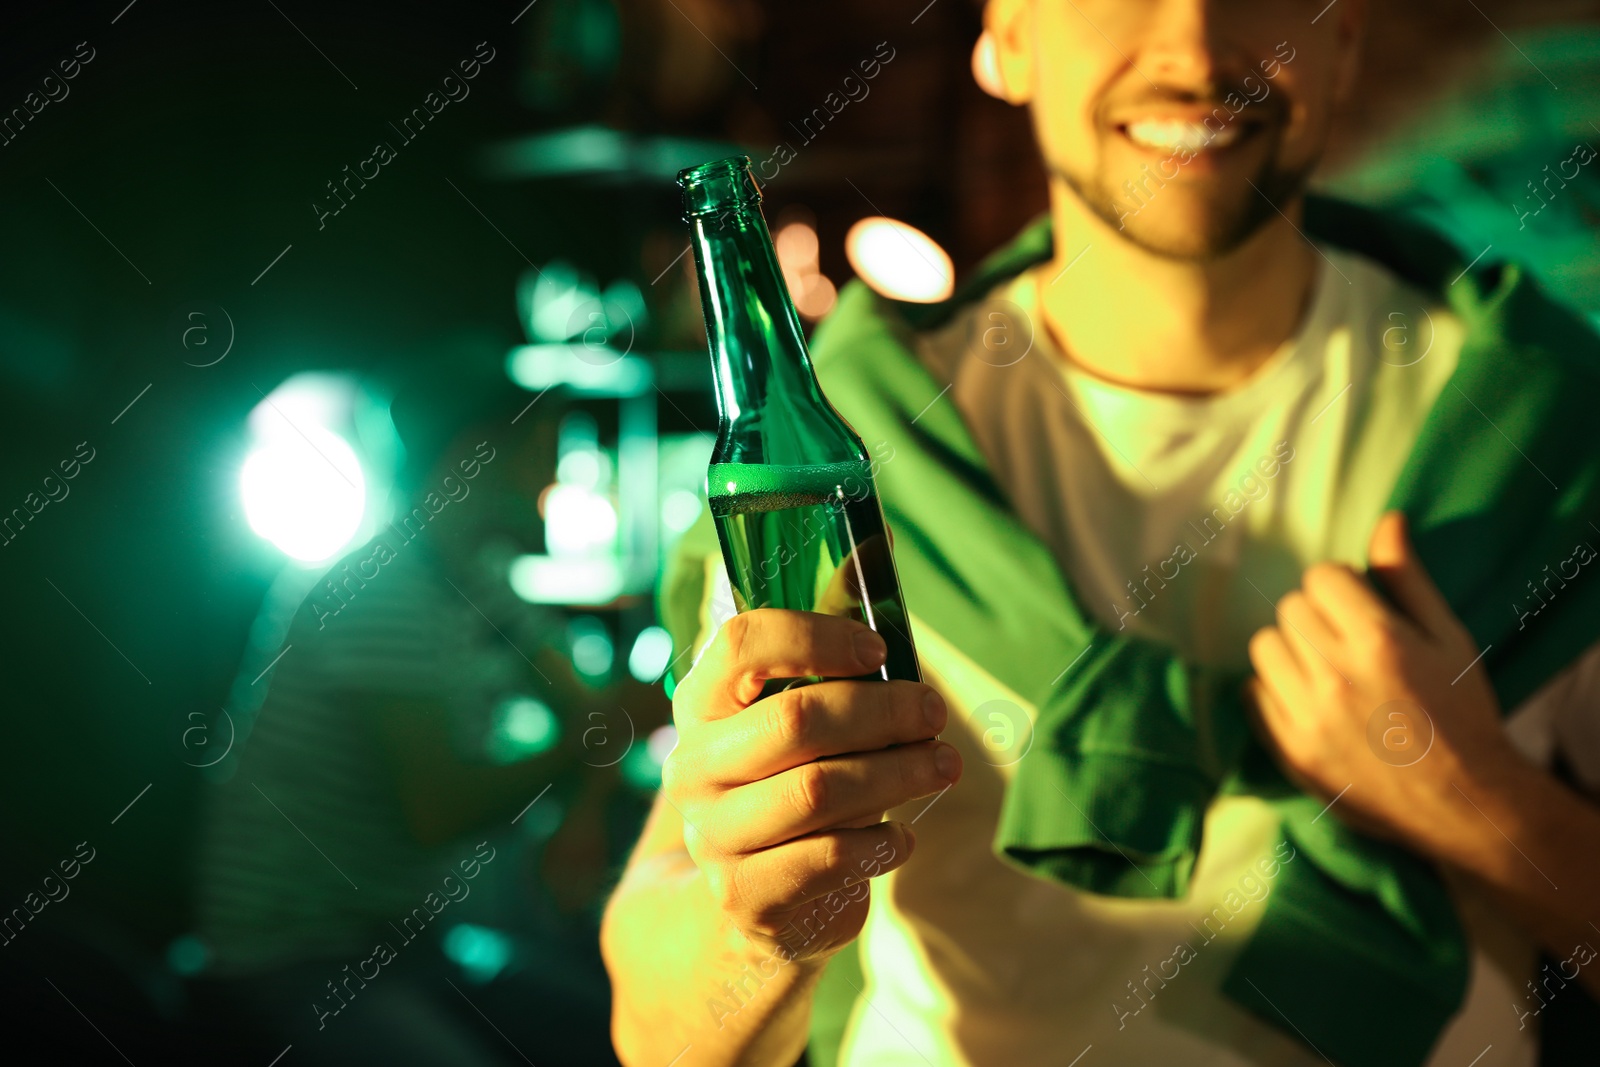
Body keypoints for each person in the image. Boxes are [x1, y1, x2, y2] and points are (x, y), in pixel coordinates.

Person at [602, 2, 1600, 1066]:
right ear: (1008, 38)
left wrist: (1474, 799)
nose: (1192, 47)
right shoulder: (844, 459)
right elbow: (657, 1039)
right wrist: (756, 916)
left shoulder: (1541, 429)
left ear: (1344, 36)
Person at [194, 374, 643, 1066]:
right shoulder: (382, 586)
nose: (558, 480)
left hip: (409, 940)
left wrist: (587, 805)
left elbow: (595, 716)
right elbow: (438, 810)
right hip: (303, 954)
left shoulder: (471, 577)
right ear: (477, 452)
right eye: (545, 451)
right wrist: (593, 746)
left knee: (614, 1030)